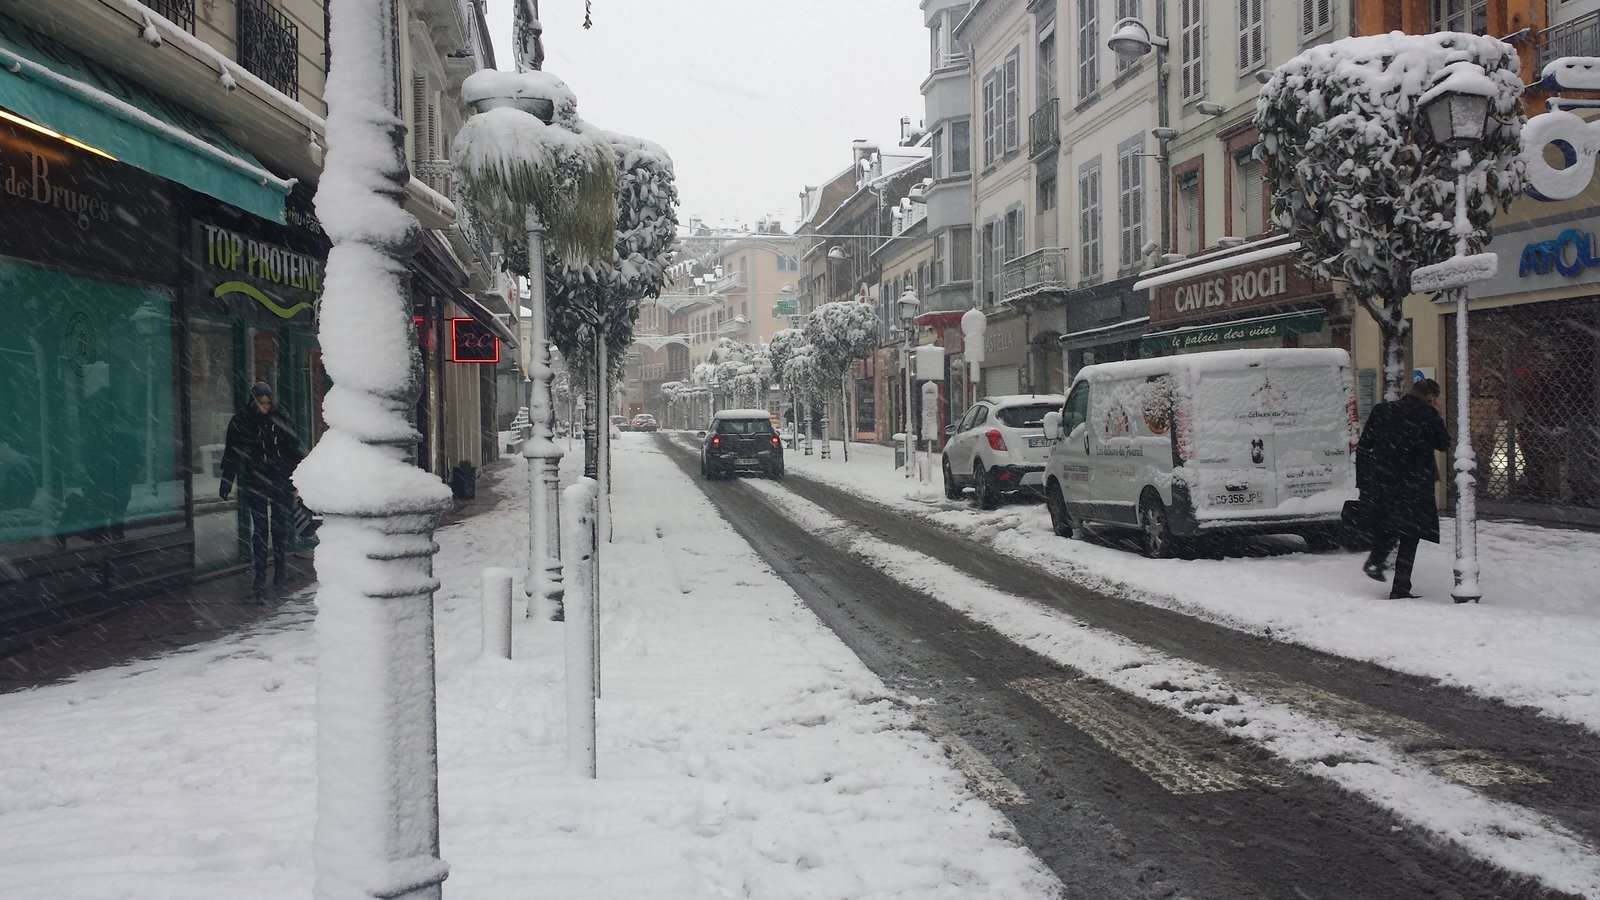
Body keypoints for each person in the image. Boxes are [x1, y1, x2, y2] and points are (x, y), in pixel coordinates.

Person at [1356, 378, 1450, 600]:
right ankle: (1400, 587)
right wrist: (1437, 415)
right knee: (1410, 535)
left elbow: (1365, 444)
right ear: (1431, 397)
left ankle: (1376, 561)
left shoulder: (1382, 410)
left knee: (1389, 526)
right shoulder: (1428, 415)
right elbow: (1443, 444)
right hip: (1415, 485)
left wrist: (1367, 478)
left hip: (1385, 482)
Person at [220, 382, 303, 601]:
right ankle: (259, 576)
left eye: (267, 403)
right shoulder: (242, 421)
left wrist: (300, 478)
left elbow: (294, 450)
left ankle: (280, 571)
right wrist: (227, 480)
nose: (265, 407)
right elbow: (232, 452)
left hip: (279, 479)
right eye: (261, 403)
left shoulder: (281, 419)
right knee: (260, 528)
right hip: (255, 480)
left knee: (279, 527)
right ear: (253, 402)